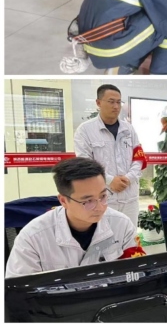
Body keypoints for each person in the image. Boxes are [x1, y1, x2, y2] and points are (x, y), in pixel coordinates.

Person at [5, 157, 141, 278]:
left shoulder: (122, 225)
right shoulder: (32, 237)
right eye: (88, 201)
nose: (100, 207)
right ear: (63, 201)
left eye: (103, 196)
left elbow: (138, 273)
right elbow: (19, 292)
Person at [74, 84, 146, 228]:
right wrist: (110, 180)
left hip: (130, 198)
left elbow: (139, 157)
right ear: (98, 103)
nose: (116, 106)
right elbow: (85, 164)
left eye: (119, 102)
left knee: (129, 236)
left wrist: (129, 178)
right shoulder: (85, 130)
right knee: (103, 237)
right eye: (111, 102)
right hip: (103, 199)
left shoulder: (129, 129)